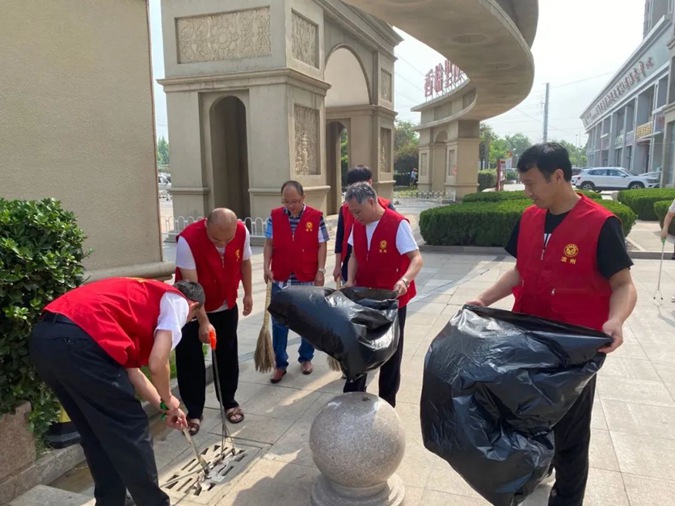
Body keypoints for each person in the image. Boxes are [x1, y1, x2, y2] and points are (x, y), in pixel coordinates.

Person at [466, 142, 637, 506]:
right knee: (527, 417)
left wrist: (616, 320)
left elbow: (623, 284)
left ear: (558, 176)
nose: (526, 191)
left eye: (531, 183)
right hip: (527, 340)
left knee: (571, 437)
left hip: (573, 352)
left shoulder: (600, 224)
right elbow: (519, 272)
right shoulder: (530, 218)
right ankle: (539, 469)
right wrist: (484, 299)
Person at [30, 277, 205, 506]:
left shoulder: (137, 302)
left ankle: (112, 501)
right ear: (193, 306)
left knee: (95, 432)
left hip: (45, 340)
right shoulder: (177, 301)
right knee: (131, 428)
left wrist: (165, 406)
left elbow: (135, 374)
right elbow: (158, 362)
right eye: (191, 319)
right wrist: (169, 397)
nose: (185, 322)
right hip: (81, 342)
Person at [342, 182, 423, 407]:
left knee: (391, 351)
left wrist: (404, 279)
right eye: (352, 212)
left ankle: (388, 401)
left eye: (358, 211)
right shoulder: (358, 224)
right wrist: (350, 281)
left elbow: (417, 258)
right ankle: (353, 394)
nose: (355, 217)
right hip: (364, 296)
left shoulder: (397, 224)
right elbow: (354, 256)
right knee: (359, 346)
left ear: (371, 202)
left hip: (391, 299)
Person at [174, 208, 253, 435]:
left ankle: (229, 401)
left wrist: (248, 293)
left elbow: (245, 263)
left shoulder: (242, 231)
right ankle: (194, 411)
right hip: (191, 309)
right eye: (217, 239)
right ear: (206, 225)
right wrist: (203, 322)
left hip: (225, 304)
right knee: (190, 360)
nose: (223, 244)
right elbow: (193, 287)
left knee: (227, 354)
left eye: (228, 239)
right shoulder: (188, 240)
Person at [263, 180, 329, 383]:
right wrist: (266, 267)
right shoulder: (274, 216)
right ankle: (280, 364)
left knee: (307, 321)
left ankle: (306, 358)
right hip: (281, 278)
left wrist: (320, 270)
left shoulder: (316, 217)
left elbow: (322, 245)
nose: (290, 205)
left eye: (295, 201)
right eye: (286, 201)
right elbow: (269, 244)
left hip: (306, 277)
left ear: (303, 198)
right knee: (279, 323)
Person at [333, 165, 396, 284]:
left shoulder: (386, 206)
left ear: (370, 182)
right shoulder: (345, 208)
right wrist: (337, 265)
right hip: (350, 262)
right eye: (352, 186)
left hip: (377, 263)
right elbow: (340, 238)